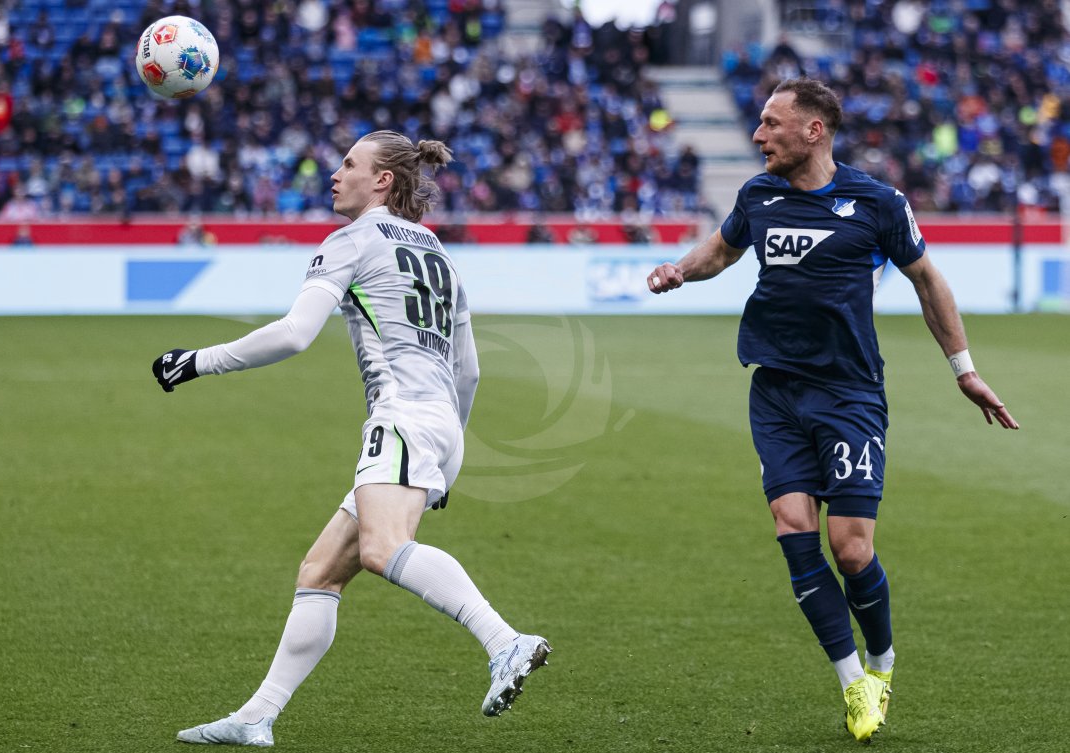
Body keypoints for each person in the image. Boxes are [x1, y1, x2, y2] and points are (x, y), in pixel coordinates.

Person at [646, 78, 1019, 743]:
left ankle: (880, 664)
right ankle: (851, 682)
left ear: (813, 130)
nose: (758, 134)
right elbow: (722, 249)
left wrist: (963, 370)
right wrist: (680, 267)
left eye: (770, 123)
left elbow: (928, 280)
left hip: (847, 393)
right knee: (791, 524)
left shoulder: (876, 203)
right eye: (758, 123)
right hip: (776, 389)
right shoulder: (758, 195)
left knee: (850, 550)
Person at [152, 130, 551, 747]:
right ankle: (257, 716)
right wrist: (454, 452)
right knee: (320, 571)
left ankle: (505, 642)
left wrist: (198, 361)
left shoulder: (352, 241)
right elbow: (469, 370)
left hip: (400, 417)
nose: (334, 174)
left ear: (383, 181)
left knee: (382, 548)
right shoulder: (441, 256)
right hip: (441, 422)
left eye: (348, 164)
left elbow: (293, 333)